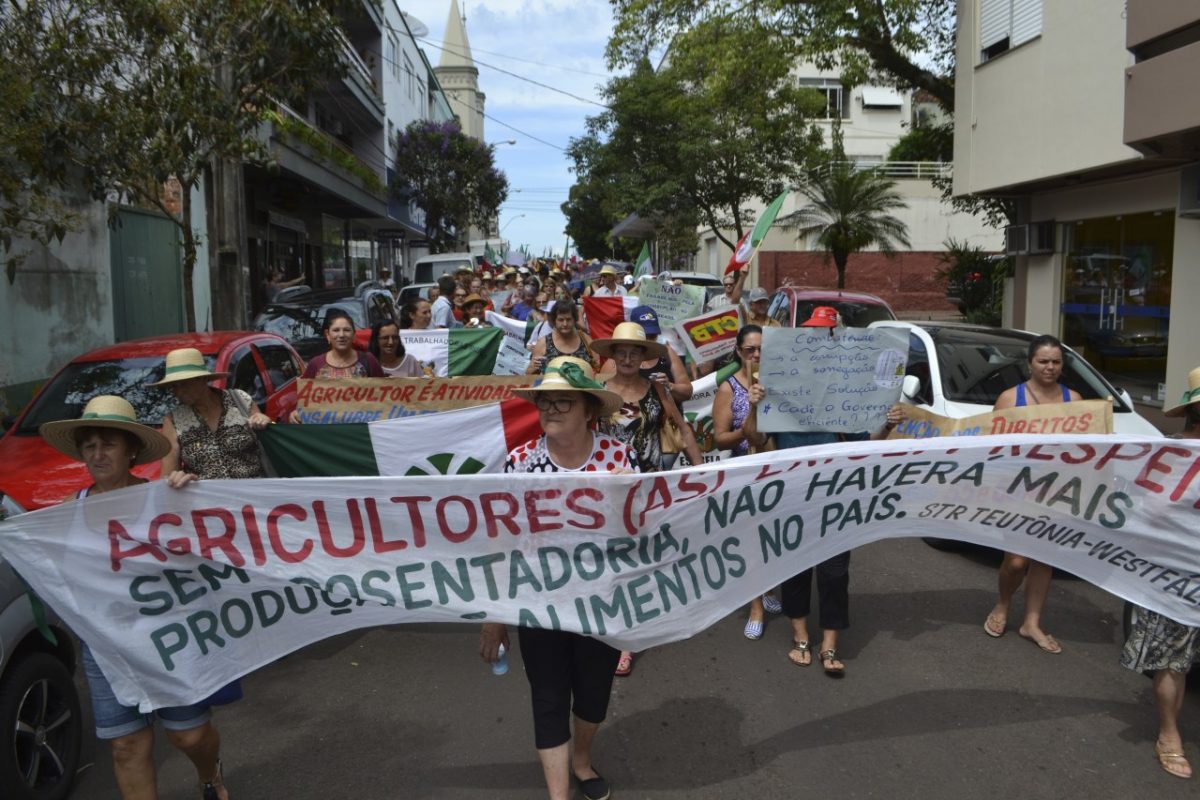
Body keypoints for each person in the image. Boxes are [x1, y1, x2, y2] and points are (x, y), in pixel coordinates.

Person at [39, 395, 231, 799]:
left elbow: (212, 547)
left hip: (172, 639)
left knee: (190, 737)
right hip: (107, 647)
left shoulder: (166, 499)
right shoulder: (67, 511)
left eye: (108, 443)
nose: (97, 453)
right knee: (127, 746)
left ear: (132, 450)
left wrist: (192, 493)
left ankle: (210, 774)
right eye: (89, 445)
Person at [480, 356, 631, 800]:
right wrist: (495, 615)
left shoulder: (619, 457)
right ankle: (559, 793)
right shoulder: (521, 463)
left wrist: (629, 497)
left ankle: (581, 760)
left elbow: (644, 528)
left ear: (588, 410)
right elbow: (500, 540)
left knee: (593, 694)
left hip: (601, 603)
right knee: (548, 698)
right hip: (538, 603)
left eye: (563, 402)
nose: (550, 410)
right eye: (545, 402)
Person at [772, 307, 905, 675]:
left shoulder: (852, 386)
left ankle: (829, 644)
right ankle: (800, 635)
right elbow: (757, 438)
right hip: (793, 488)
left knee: (834, 571)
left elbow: (867, 444)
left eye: (827, 334)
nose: (820, 341)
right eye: (813, 334)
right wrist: (754, 406)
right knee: (794, 566)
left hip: (836, 492)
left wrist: (888, 426)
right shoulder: (780, 380)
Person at [1121, 366, 1200, 779]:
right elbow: (1149, 510)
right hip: (1177, 576)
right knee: (1174, 661)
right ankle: (1169, 735)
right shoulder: (1169, 455)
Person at [984, 333, 1082, 654]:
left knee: (1043, 559)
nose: (1050, 367)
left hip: (1058, 493)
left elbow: (1090, 452)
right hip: (1016, 492)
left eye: (1056, 361)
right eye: (1043, 361)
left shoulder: (1076, 402)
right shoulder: (1010, 400)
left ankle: (1032, 623)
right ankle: (1003, 602)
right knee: (1015, 561)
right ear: (1030, 364)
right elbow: (990, 449)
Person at [711, 325, 772, 639]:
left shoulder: (780, 383)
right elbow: (720, 439)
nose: (757, 355)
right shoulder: (729, 388)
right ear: (738, 352)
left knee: (772, 537)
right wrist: (747, 429)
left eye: (761, 348)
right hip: (745, 473)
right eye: (750, 349)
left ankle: (769, 587)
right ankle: (755, 605)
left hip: (776, 474)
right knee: (750, 540)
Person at [151, 347, 272, 487]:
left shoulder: (240, 400)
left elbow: (268, 440)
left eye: (184, 384)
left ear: (202, 380)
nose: (178, 391)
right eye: (173, 386)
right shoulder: (173, 420)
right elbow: (166, 478)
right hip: (208, 503)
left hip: (254, 497)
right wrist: (179, 479)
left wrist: (264, 421)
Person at [628, 306, 693, 404]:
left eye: (652, 335)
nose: (649, 341)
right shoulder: (620, 358)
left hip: (668, 417)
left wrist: (669, 386)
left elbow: (688, 391)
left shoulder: (666, 352)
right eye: (645, 336)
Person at [298, 310, 385, 380]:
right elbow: (305, 397)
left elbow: (383, 393)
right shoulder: (316, 364)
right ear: (327, 335)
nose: (341, 335)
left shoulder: (369, 361)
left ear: (354, 334)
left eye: (347, 330)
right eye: (336, 330)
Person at [527, 300, 596, 374]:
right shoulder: (543, 343)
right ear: (554, 320)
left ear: (574, 320)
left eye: (568, 319)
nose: (565, 324)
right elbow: (530, 375)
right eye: (561, 320)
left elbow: (598, 367)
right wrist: (532, 368)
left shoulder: (586, 340)